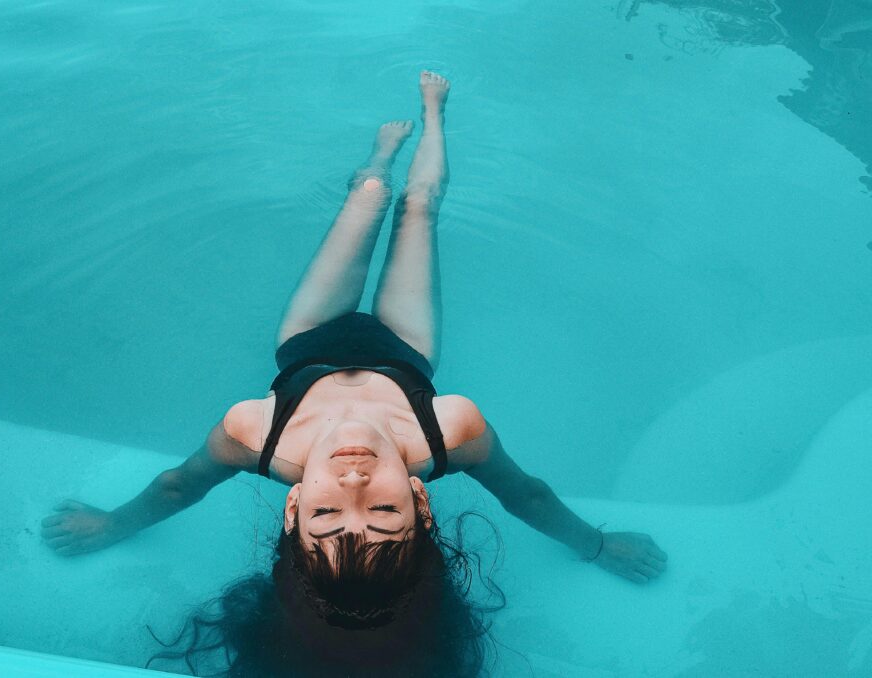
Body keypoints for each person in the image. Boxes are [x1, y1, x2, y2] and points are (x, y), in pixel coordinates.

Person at [41, 72, 667, 673]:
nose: (352, 485)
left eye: (326, 516)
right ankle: (431, 119)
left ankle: (380, 155)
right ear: (419, 501)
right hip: (405, 346)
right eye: (384, 512)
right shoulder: (448, 429)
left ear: (293, 512)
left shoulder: (258, 433)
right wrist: (598, 545)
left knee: (368, 197)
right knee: (419, 208)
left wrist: (112, 523)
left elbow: (180, 485)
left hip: (309, 338)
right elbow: (526, 492)